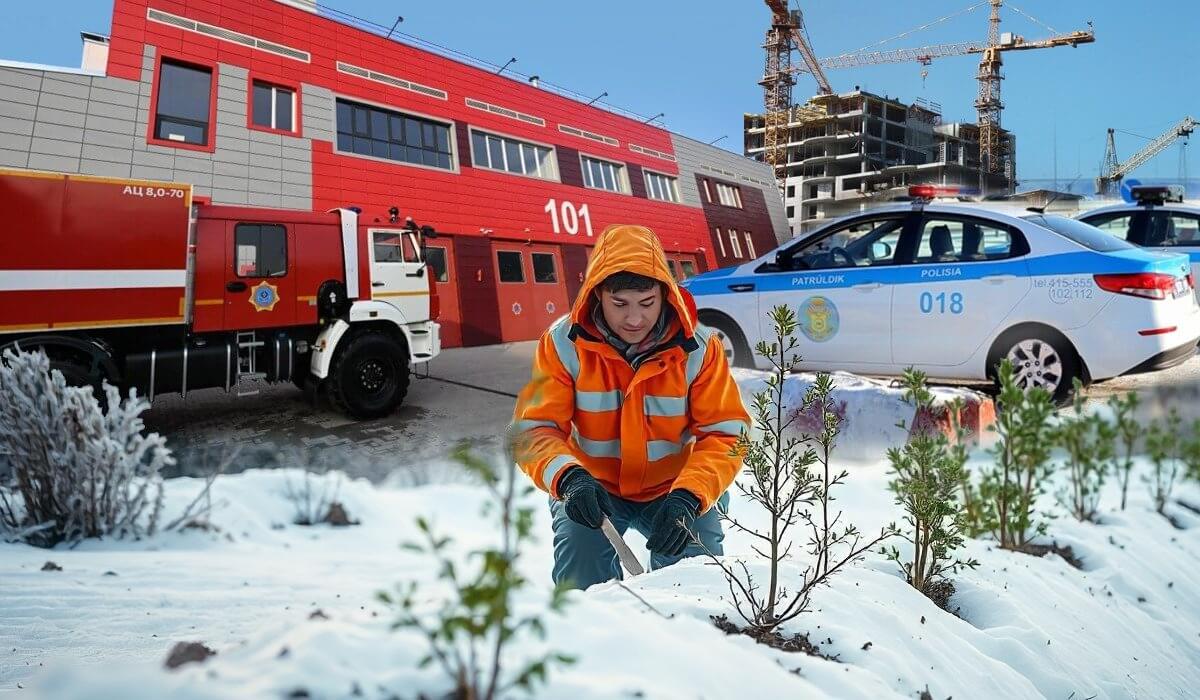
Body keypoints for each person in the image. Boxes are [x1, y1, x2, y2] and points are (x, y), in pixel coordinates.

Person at [508, 224, 750, 590]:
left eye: (647, 304)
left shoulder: (701, 348)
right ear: (597, 295)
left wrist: (690, 496)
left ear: (664, 295)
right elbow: (532, 430)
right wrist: (569, 479)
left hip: (678, 491)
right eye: (620, 304)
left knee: (698, 585)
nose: (634, 319)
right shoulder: (561, 343)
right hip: (592, 490)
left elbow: (727, 434)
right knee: (581, 575)